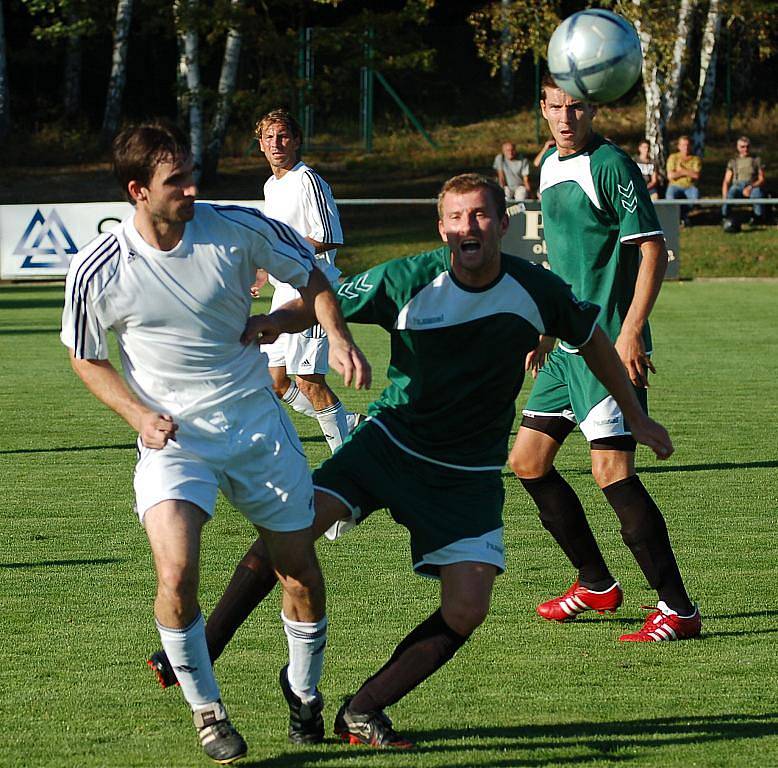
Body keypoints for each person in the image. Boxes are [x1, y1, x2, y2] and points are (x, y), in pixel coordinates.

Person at [146, 173, 677, 748]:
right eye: (455, 217)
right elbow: (322, 294)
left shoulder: (535, 288)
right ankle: (202, 649)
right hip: (389, 444)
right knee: (290, 531)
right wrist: (279, 321)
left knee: (468, 606)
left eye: (478, 216)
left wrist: (636, 415)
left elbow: (593, 338)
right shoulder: (408, 277)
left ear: (503, 224)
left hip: (467, 472)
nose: (466, 227)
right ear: (441, 226)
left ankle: (363, 708)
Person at [60, 120, 370, 764]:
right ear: (137, 190)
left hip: (257, 424)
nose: (193, 187)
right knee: (175, 575)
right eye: (176, 180)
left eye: (191, 173)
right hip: (176, 442)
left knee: (299, 570)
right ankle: (208, 712)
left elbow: (313, 277)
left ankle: (303, 692)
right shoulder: (100, 267)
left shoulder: (234, 227)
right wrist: (137, 415)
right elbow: (86, 358)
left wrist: (330, 335)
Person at [508, 74, 701, 643]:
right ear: (542, 110)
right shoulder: (546, 164)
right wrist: (545, 329)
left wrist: (632, 332)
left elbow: (653, 248)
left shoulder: (611, 164)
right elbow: (558, 261)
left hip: (608, 342)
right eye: (556, 108)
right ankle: (594, 582)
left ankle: (677, 609)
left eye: (577, 107)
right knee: (528, 461)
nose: (567, 118)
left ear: (592, 109)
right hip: (564, 346)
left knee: (611, 471)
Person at [252, 108, 358, 454]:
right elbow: (279, 239)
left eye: (283, 136)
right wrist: (264, 269)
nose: (276, 143)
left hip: (311, 292)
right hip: (283, 292)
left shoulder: (307, 179)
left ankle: (345, 462)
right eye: (269, 137)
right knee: (277, 382)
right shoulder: (271, 184)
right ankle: (351, 424)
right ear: (261, 145)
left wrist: (279, 254)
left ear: (296, 141)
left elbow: (328, 236)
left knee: (309, 381)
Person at [721, 135, 766, 222]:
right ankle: (725, 217)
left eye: (747, 147)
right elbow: (726, 181)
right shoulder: (733, 161)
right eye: (742, 147)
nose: (745, 149)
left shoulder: (756, 160)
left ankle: (758, 218)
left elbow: (762, 179)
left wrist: (751, 187)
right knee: (730, 193)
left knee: (757, 194)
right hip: (737, 186)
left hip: (752, 185)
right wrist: (724, 196)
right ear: (738, 148)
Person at [665, 135, 701, 225]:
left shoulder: (696, 159)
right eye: (683, 145)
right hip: (674, 185)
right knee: (670, 197)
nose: (686, 147)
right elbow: (670, 176)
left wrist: (681, 171)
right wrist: (688, 172)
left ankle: (683, 215)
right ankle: (674, 218)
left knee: (695, 197)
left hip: (689, 186)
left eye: (688, 145)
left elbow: (696, 175)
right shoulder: (673, 158)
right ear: (679, 146)